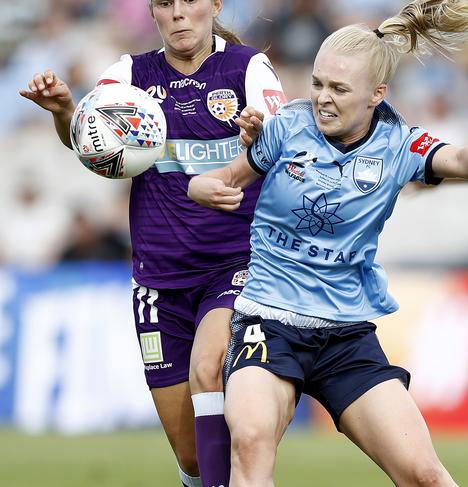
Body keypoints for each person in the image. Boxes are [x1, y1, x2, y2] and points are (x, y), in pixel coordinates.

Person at [188, 1, 468, 484]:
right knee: (249, 441)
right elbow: (231, 175)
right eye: (318, 84)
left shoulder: (399, 144)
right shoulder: (287, 126)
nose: (323, 98)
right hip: (267, 322)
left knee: (426, 475)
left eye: (339, 88)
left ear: (377, 94)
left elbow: (458, 160)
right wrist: (200, 185)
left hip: (345, 336)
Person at [19, 1, 286, 486]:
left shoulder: (247, 67)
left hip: (236, 265)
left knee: (209, 369)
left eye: (190, 1)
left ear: (215, 5)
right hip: (158, 278)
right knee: (191, 459)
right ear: (153, 13)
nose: (180, 14)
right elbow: (92, 142)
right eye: (166, 3)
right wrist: (63, 113)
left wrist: (257, 132)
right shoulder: (129, 74)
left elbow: (278, 134)